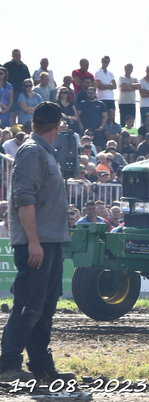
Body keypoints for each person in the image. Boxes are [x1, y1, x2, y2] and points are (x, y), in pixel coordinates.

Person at [0, 101, 73, 384]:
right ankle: (8, 366)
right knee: (29, 304)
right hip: (37, 242)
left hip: (48, 241)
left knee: (44, 306)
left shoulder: (41, 151)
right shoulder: (32, 152)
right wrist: (33, 242)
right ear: (58, 125)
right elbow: (23, 198)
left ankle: (41, 365)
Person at [4, 50, 30, 125]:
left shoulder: (24, 66)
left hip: (23, 92)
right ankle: (13, 128)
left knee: (22, 111)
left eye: (18, 54)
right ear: (12, 55)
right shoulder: (7, 65)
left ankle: (21, 127)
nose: (17, 56)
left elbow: (28, 78)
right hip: (12, 92)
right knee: (13, 111)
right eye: (15, 54)